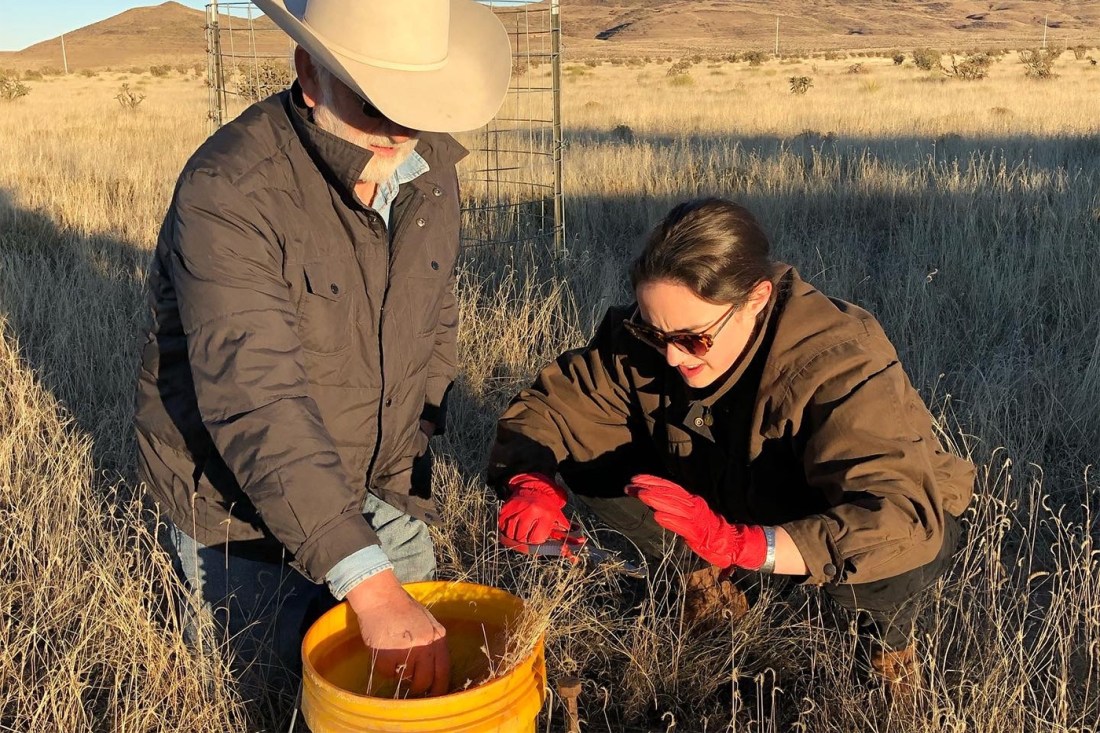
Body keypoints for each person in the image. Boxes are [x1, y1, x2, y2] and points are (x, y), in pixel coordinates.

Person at [133, 0, 510, 707]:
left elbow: (436, 306)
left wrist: (423, 419)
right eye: (376, 102)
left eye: (419, 105)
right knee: (265, 692)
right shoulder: (229, 190)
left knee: (408, 689)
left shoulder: (428, 169)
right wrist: (369, 584)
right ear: (310, 71)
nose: (402, 128)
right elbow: (256, 398)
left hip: (379, 481)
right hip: (236, 510)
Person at [488, 198, 974, 692]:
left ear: (757, 298)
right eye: (652, 332)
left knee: (889, 559)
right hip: (721, 489)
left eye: (693, 339)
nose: (672, 356)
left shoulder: (838, 359)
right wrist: (529, 481)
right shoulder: (654, 334)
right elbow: (557, 405)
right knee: (584, 445)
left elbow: (901, 517)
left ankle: (887, 648)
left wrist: (738, 543)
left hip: (824, 510)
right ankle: (701, 575)